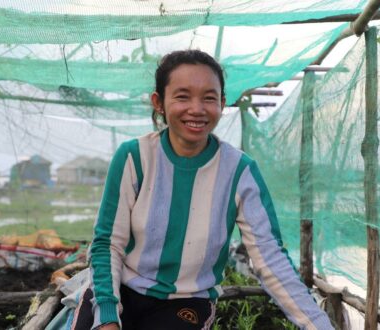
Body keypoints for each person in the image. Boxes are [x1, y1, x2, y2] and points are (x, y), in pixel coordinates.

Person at [72, 49, 333, 330]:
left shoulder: (239, 171)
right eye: (182, 96)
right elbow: (108, 244)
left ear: (222, 103)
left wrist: (319, 325)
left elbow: (269, 257)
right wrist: (107, 317)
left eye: (209, 98)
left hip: (185, 303)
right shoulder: (135, 157)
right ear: (159, 102)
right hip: (122, 287)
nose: (197, 109)